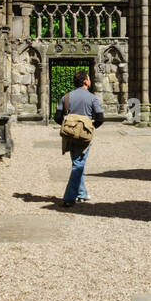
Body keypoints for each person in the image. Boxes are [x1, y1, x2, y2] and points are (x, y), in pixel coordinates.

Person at [54, 69, 103, 205]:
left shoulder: (66, 97)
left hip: (69, 135)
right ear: (86, 81)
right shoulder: (92, 98)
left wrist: (69, 126)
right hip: (84, 136)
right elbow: (100, 118)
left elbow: (57, 117)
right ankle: (69, 199)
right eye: (89, 78)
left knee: (77, 163)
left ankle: (82, 193)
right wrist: (90, 127)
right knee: (78, 165)